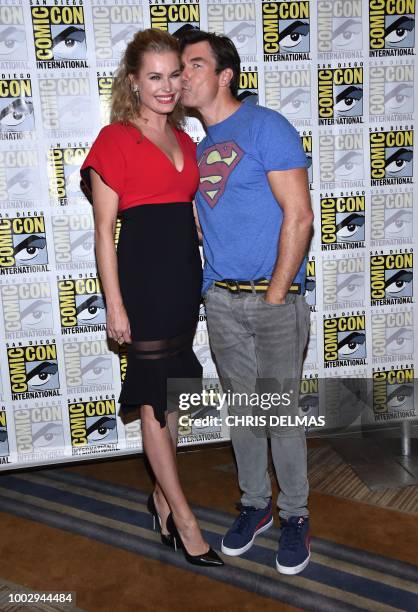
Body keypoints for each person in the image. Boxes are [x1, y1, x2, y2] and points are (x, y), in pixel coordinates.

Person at [80, 28, 222, 567]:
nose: (167, 87)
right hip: (142, 283)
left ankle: (160, 500)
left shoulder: (186, 140)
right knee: (155, 405)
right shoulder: (114, 140)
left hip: (184, 281)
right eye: (155, 77)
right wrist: (114, 304)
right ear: (134, 82)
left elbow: (186, 214)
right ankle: (184, 520)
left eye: (174, 75)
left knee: (172, 398)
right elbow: (103, 233)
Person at [179, 29, 313, 575]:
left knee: (280, 413)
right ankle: (255, 505)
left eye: (194, 64)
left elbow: (298, 215)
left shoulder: (267, 127)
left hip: (273, 299)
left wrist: (276, 293)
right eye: (179, 66)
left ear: (224, 74)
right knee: (243, 412)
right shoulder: (196, 146)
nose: (183, 75)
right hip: (224, 302)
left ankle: (295, 515)